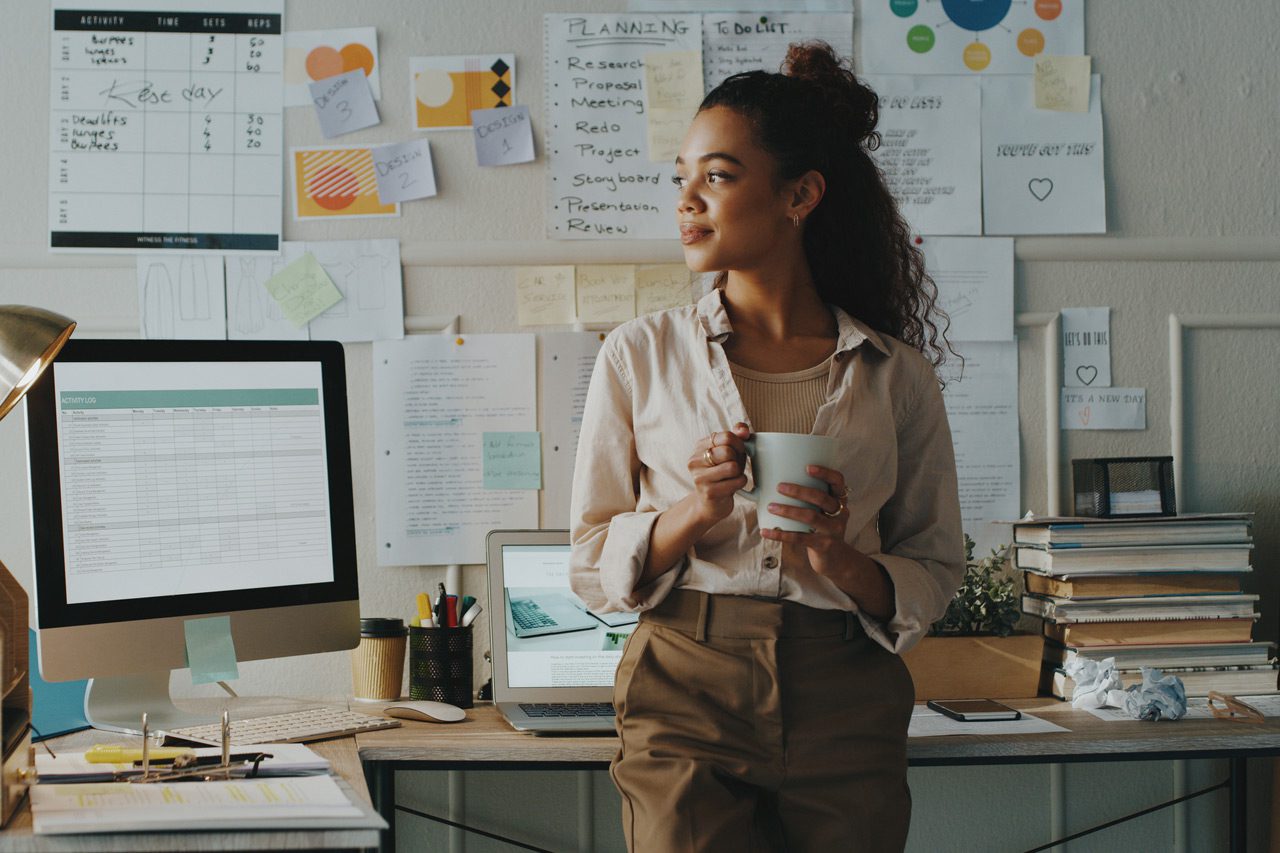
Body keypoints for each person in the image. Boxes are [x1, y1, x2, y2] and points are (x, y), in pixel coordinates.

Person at [569, 41, 964, 853]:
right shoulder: (637, 354)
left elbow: (936, 565)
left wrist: (839, 559)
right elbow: (589, 560)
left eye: (716, 176)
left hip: (848, 691)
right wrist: (697, 507)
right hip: (683, 681)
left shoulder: (899, 376)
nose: (686, 201)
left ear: (801, 194)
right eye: (680, 178)